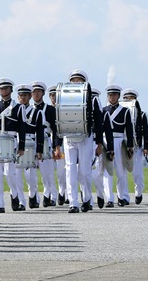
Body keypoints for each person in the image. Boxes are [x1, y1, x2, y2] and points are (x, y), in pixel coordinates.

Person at [59, 70, 103, 213]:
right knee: (70, 169)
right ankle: (73, 203)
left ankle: (86, 199)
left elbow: (99, 121)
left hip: (85, 136)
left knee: (84, 171)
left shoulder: (93, 99)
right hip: (69, 136)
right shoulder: (64, 97)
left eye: (79, 80)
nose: (76, 82)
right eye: (73, 80)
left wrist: (100, 143)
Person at [0, 78, 26, 212]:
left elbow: (22, 128)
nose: (4, 91)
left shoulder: (18, 107)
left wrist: (21, 147)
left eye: (6, 88)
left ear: (11, 90)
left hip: (11, 140)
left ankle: (14, 194)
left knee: (10, 173)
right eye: (1, 89)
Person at [102, 85, 134, 207]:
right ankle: (109, 198)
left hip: (120, 141)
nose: (112, 97)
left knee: (121, 172)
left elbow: (129, 130)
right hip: (106, 142)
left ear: (118, 96)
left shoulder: (125, 111)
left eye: (114, 95)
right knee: (107, 171)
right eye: (110, 95)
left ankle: (123, 196)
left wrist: (130, 147)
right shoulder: (104, 110)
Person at [31, 81, 59, 207]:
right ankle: (34, 197)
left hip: (46, 140)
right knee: (30, 173)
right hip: (31, 142)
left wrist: (55, 146)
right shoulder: (28, 109)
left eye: (38, 91)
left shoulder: (50, 109)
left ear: (43, 93)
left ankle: (50, 195)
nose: (36, 94)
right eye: (34, 91)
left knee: (47, 172)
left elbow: (55, 130)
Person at [15, 84, 43, 209]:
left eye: (26, 95)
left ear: (30, 96)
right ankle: (21, 201)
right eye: (21, 95)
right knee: (16, 174)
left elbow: (40, 133)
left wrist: (39, 150)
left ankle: (33, 196)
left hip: (31, 142)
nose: (23, 98)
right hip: (17, 142)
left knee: (31, 175)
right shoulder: (14, 110)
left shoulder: (36, 112)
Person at [121, 88, 148, 204]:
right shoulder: (121, 113)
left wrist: (146, 147)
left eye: (131, 98)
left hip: (137, 146)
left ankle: (138, 192)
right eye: (126, 98)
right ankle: (124, 196)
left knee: (137, 173)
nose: (129, 100)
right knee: (122, 173)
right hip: (124, 146)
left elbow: (146, 132)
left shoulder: (142, 115)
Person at [47, 85, 68, 205]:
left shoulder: (64, 110)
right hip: (49, 140)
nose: (54, 97)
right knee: (49, 171)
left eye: (56, 95)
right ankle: (53, 195)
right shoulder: (49, 109)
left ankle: (62, 192)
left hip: (62, 142)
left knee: (62, 171)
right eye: (52, 95)